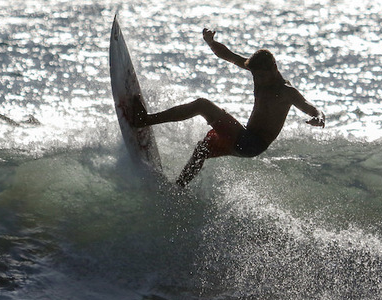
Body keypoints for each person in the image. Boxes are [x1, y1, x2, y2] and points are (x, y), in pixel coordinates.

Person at [132, 28, 325, 187]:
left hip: (252, 143)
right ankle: (178, 188)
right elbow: (229, 56)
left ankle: (145, 120)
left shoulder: (286, 91)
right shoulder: (259, 73)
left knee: (202, 105)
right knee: (203, 148)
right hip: (245, 140)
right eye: (255, 75)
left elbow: (308, 106)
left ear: (274, 68)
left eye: (262, 76)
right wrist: (210, 42)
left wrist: (318, 117)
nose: (258, 80)